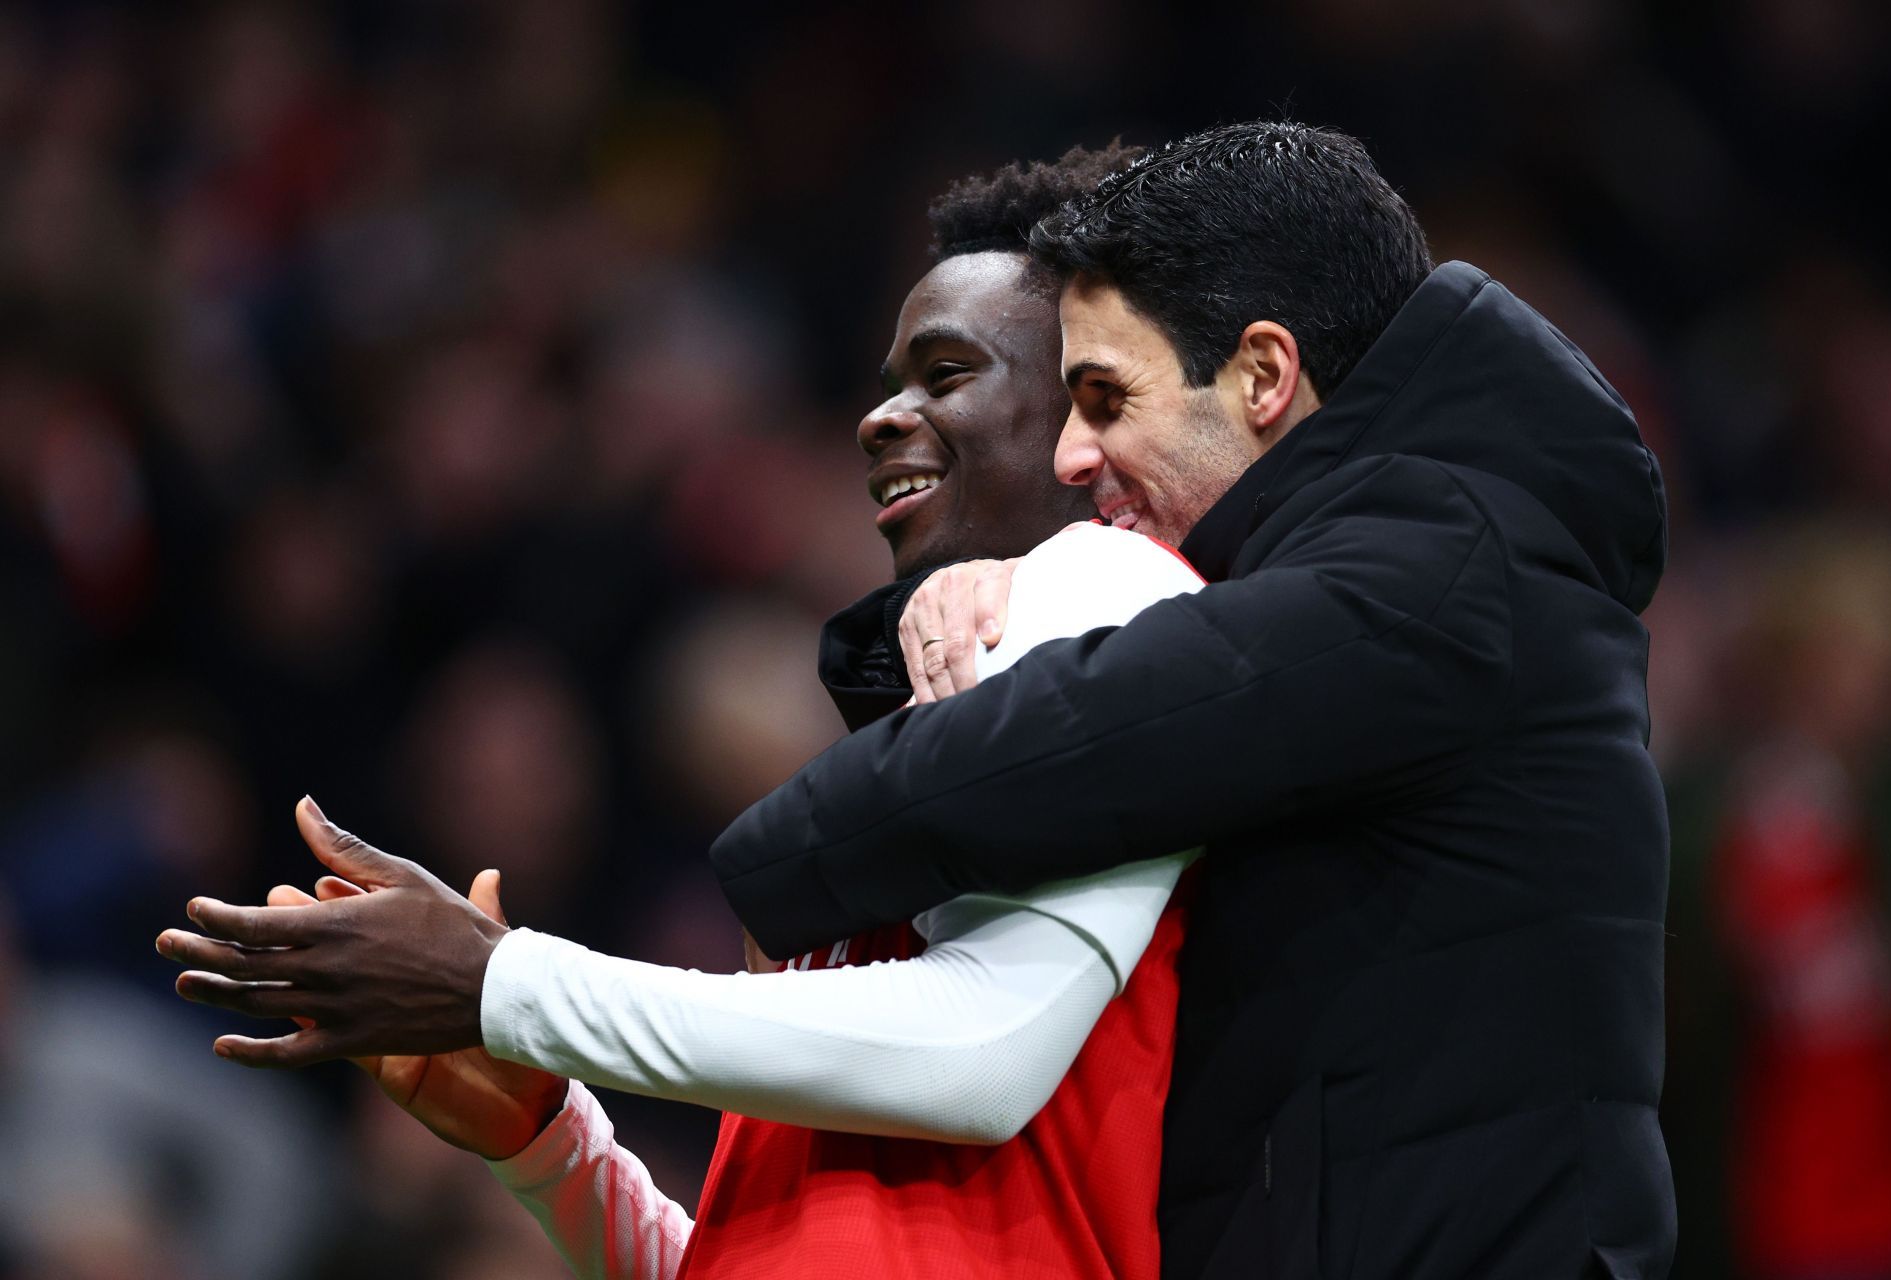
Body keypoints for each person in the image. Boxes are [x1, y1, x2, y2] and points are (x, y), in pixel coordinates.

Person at [160, 143, 1212, 1279]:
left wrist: (502, 983)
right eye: (887, 381)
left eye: (945, 373)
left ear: (1088, 415)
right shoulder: (905, 751)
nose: (879, 417)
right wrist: (554, 1141)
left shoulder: (1116, 588)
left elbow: (980, 1053)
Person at [707, 120, 1677, 1279]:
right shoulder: (1411, 555)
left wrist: (769, 875)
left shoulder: (1439, 567)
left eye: (1107, 398)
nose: (1074, 454)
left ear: (1264, 374)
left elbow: (1078, 740)